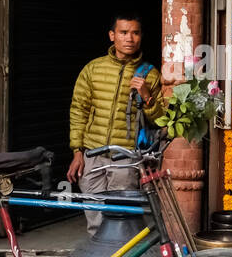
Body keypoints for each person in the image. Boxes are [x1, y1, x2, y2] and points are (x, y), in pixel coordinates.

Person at [68, 14, 164, 233]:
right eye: (123, 32)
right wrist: (77, 151)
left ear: (141, 37)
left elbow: (159, 120)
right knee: (95, 221)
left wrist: (147, 96)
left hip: (126, 159)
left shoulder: (150, 74)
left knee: (122, 223)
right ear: (112, 36)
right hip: (92, 156)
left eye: (135, 32)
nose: (129, 38)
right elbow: (78, 111)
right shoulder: (93, 69)